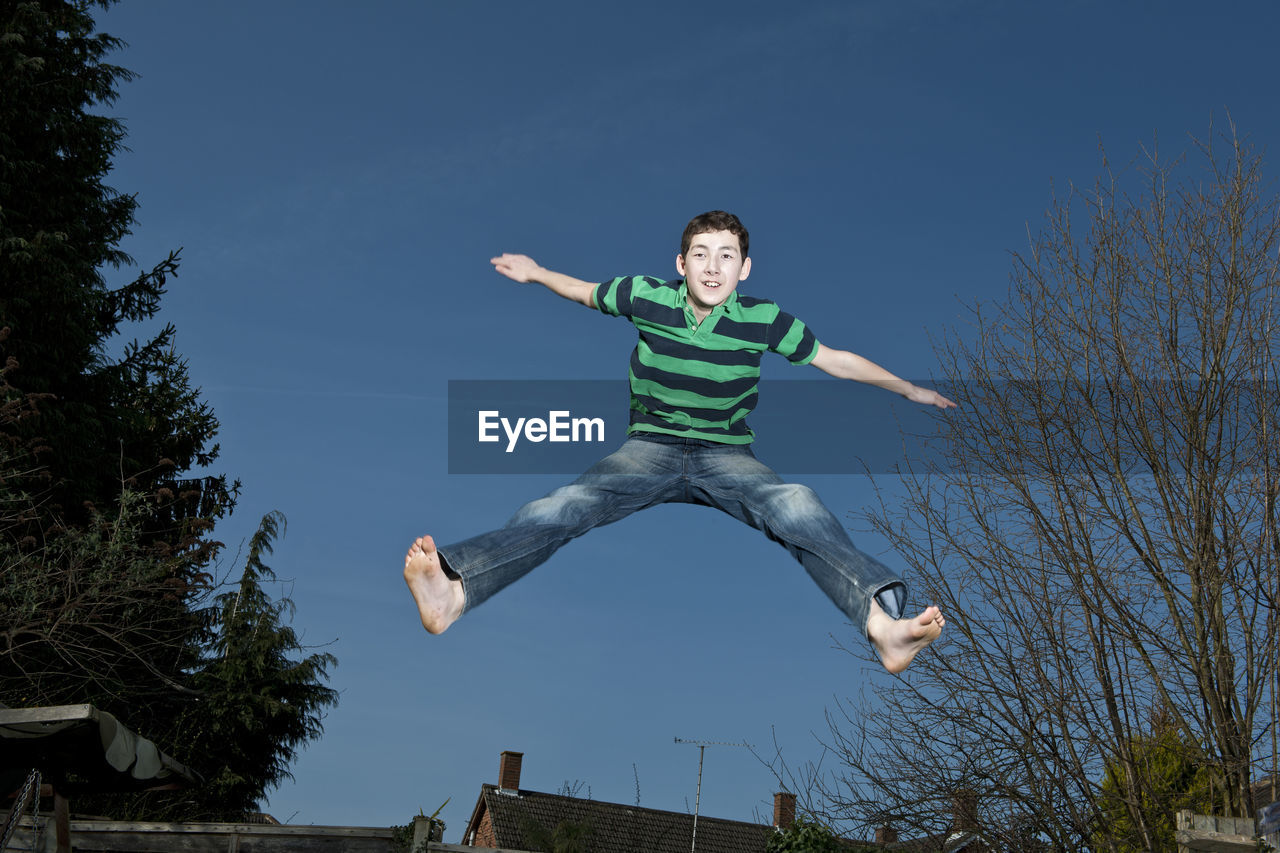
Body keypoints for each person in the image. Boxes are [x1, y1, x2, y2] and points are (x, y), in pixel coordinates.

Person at [405, 211, 954, 673]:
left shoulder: (762, 320)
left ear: (745, 268)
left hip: (726, 456)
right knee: (568, 505)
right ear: (680, 263)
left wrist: (907, 389)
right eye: (701, 254)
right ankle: (455, 592)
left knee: (796, 505)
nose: (712, 267)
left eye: (726, 256)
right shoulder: (647, 297)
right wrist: (537, 272)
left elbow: (834, 359)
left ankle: (882, 625)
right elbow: (586, 292)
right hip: (651, 448)